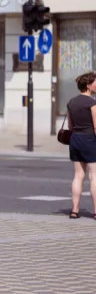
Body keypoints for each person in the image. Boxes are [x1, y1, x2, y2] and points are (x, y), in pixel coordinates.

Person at [66, 71, 96, 219]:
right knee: (94, 176)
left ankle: (74, 210)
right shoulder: (92, 103)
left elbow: (70, 126)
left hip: (75, 139)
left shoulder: (71, 102)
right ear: (89, 85)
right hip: (90, 139)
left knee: (78, 176)